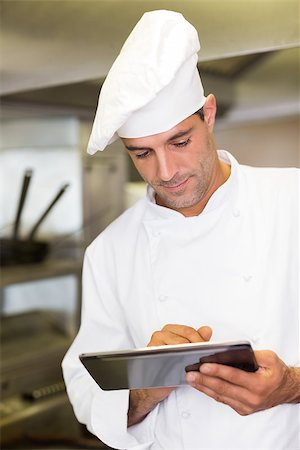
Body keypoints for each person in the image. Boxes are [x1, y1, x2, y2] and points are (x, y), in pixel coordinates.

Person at [62, 10, 300, 450]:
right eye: (142, 153)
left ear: (208, 114)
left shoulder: (294, 202)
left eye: (180, 142)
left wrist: (292, 385)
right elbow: (86, 386)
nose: (166, 171)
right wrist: (142, 391)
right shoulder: (111, 251)